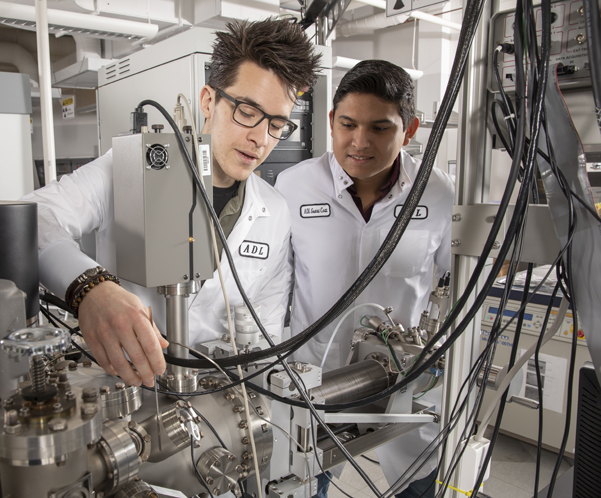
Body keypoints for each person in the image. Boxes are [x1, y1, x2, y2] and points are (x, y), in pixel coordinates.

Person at [23, 18, 321, 388]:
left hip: (221, 405)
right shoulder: (132, 168)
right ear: (208, 100)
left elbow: (267, 334)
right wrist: (89, 288)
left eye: (277, 125)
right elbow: (30, 219)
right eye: (247, 112)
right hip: (128, 393)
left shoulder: (274, 211)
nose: (260, 138)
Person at [275, 60, 454, 498]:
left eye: (379, 128)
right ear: (331, 121)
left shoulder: (438, 190)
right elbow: (270, 286)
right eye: (348, 124)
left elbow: (456, 281)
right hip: (315, 382)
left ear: (409, 130)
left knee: (417, 484)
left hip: (401, 382)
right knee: (302, 484)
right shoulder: (293, 186)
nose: (359, 142)